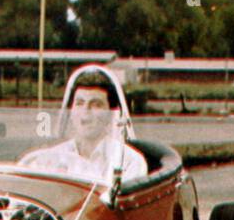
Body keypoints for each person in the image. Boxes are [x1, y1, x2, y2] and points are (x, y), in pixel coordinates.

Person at [20, 71, 148, 182]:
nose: (85, 111)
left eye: (96, 104)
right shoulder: (52, 157)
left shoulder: (129, 161)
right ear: (71, 112)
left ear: (111, 115)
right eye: (79, 103)